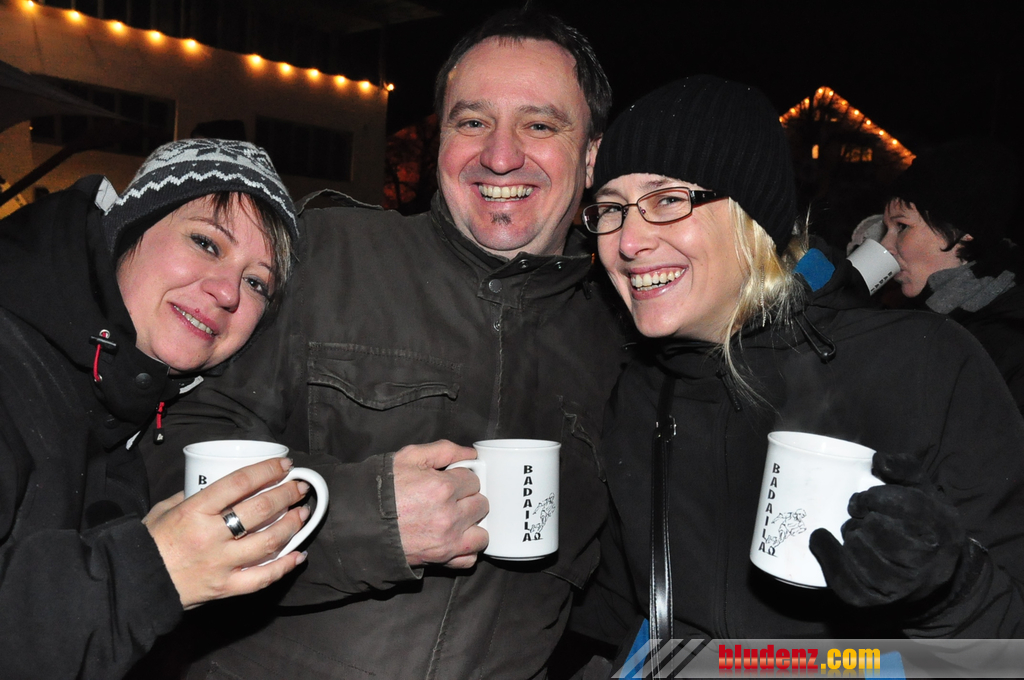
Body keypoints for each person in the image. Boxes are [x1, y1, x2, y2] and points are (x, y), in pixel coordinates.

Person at [140, 9, 627, 679]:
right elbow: (173, 461)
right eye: (471, 122)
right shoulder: (325, 256)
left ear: (591, 156)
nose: (500, 155)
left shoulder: (618, 340)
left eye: (539, 126)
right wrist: (364, 518)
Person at [570, 76, 1024, 659]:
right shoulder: (636, 392)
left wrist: (950, 589)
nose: (629, 240)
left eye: (667, 200)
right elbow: (617, 620)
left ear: (753, 216)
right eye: (611, 209)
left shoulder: (925, 362)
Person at [0, 138, 308, 680]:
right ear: (127, 232)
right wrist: (150, 571)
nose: (228, 293)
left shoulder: (133, 407)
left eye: (257, 282)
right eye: (206, 243)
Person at [880, 139, 1024, 413]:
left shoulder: (1011, 343)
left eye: (902, 226)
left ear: (963, 229)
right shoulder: (920, 318)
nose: (885, 245)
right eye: (886, 229)